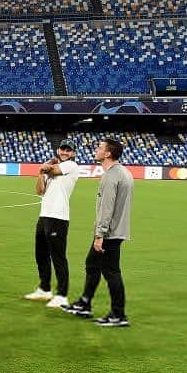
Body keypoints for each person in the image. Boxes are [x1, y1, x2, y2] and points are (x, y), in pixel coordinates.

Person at [62, 138, 134, 327]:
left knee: (111, 272)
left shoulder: (111, 176)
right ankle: (85, 303)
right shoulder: (125, 173)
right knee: (92, 264)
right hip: (118, 230)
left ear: (108, 154)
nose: (96, 149)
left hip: (109, 233)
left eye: (100, 148)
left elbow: (106, 208)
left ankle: (118, 315)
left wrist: (100, 235)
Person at [23, 141, 80, 309]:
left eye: (68, 150)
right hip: (44, 215)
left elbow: (52, 170)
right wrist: (41, 172)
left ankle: (62, 295)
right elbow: (39, 190)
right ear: (58, 150)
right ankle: (44, 289)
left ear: (73, 153)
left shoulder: (71, 165)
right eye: (62, 149)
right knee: (40, 254)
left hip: (59, 217)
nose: (64, 152)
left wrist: (45, 166)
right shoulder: (50, 168)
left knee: (58, 257)